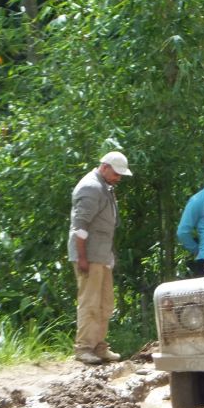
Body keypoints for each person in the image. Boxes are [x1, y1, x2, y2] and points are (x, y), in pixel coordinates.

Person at [68, 151, 132, 365]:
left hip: (102, 255)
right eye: (116, 173)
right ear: (104, 167)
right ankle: (84, 347)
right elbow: (80, 227)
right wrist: (82, 257)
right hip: (90, 255)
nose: (119, 178)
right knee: (90, 302)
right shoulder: (90, 187)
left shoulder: (105, 187)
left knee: (105, 302)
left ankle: (99, 345)